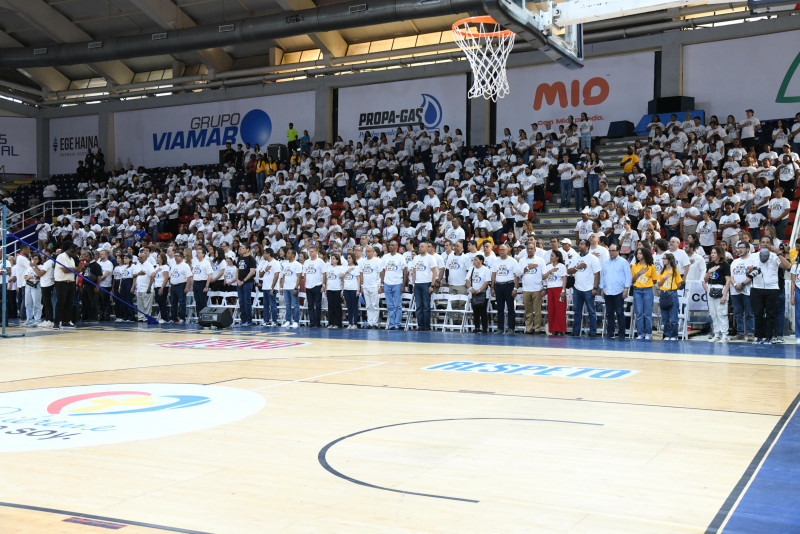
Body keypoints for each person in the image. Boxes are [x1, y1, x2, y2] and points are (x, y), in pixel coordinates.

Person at [747, 240, 790, 344]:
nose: (765, 244)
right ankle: (758, 337)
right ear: (759, 244)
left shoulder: (775, 256)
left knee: (771, 314)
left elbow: (787, 266)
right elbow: (748, 273)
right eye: (763, 242)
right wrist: (749, 270)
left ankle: (769, 338)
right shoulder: (753, 256)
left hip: (772, 288)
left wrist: (778, 253)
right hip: (757, 287)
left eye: (767, 242)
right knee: (758, 314)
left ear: (771, 244)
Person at [567, 239, 601, 337]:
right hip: (577, 288)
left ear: (587, 246)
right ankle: (576, 331)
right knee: (577, 311)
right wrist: (578, 267)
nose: (579, 245)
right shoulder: (575, 258)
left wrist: (595, 288)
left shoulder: (593, 258)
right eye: (579, 243)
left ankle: (593, 331)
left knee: (591, 311)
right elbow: (569, 271)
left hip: (589, 288)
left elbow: (597, 274)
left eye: (582, 244)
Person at [600, 243, 631, 338]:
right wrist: (602, 288)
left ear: (618, 251)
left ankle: (621, 333)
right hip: (607, 290)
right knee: (609, 313)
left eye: (613, 250)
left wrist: (626, 289)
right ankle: (610, 333)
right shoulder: (605, 262)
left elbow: (628, 276)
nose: (611, 252)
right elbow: (603, 276)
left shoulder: (623, 262)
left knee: (619, 312)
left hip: (619, 290)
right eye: (610, 250)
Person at [703, 246, 731, 342]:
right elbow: (705, 280)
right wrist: (709, 272)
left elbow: (728, 281)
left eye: (714, 253)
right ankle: (717, 333)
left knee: (721, 313)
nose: (712, 254)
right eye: (712, 252)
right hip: (711, 288)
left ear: (719, 254)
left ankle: (724, 335)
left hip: (721, 288)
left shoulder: (725, 265)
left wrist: (724, 295)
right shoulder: (710, 265)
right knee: (713, 313)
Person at [491, 244, 519, 334]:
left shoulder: (513, 261)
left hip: (509, 285)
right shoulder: (496, 261)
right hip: (498, 285)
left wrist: (515, 288)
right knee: (500, 308)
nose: (501, 251)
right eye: (500, 250)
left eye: (503, 250)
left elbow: (516, 276)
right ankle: (500, 328)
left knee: (510, 308)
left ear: (508, 250)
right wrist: (492, 287)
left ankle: (511, 328)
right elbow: (493, 275)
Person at [730, 242, 755, 341]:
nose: (740, 250)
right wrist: (736, 284)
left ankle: (750, 333)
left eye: (742, 248)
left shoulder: (752, 261)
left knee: (749, 313)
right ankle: (740, 332)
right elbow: (731, 276)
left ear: (748, 249)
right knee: (738, 313)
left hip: (747, 290)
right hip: (735, 290)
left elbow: (752, 275)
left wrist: (743, 284)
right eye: (738, 248)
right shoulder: (734, 262)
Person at [519, 242, 545, 335]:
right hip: (526, 289)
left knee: (538, 311)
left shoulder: (540, 260)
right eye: (528, 249)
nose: (529, 250)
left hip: (537, 288)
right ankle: (529, 328)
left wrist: (544, 287)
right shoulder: (522, 260)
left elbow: (544, 274)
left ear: (535, 250)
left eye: (531, 249)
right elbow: (519, 273)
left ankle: (537, 329)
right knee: (528, 311)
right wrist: (527, 267)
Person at [410, 241, 437, 331]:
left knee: (426, 306)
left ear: (426, 248)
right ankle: (420, 326)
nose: (420, 248)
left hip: (426, 283)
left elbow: (434, 272)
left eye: (422, 246)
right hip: (417, 284)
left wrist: (432, 285)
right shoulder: (416, 258)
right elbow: (414, 272)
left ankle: (427, 326)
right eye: (419, 246)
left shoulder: (430, 258)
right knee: (418, 306)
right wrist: (413, 284)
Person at [631, 247, 656, 340]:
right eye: (637, 254)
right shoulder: (634, 266)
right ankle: (640, 333)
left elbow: (654, 281)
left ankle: (648, 333)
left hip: (647, 290)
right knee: (639, 313)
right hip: (637, 290)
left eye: (640, 253)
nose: (638, 255)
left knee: (647, 313)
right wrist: (638, 274)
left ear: (645, 254)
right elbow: (632, 281)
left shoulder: (651, 267)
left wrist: (646, 284)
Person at [382, 240, 407, 329]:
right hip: (387, 283)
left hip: (397, 283)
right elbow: (383, 270)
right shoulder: (385, 257)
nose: (390, 246)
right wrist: (382, 283)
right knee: (389, 305)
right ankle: (392, 323)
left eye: (392, 245)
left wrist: (403, 285)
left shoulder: (401, 257)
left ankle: (398, 323)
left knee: (398, 305)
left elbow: (405, 271)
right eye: (390, 245)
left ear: (396, 247)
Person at [658, 253, 683, 341]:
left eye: (665, 259)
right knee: (665, 317)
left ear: (669, 260)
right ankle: (667, 334)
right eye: (663, 258)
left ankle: (674, 335)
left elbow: (679, 284)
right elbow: (659, 284)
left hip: (672, 293)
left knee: (674, 317)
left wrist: (672, 286)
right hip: (663, 293)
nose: (663, 260)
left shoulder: (675, 271)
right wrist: (665, 278)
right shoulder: (662, 271)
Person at [53, 244, 79, 330]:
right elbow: (65, 270)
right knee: (61, 302)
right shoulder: (61, 257)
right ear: (71, 251)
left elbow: (73, 270)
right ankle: (56, 322)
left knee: (69, 303)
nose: (76, 254)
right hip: (62, 283)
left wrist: (79, 269)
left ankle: (66, 321)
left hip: (71, 283)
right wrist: (77, 268)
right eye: (75, 253)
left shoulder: (72, 259)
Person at [544, 250, 567, 335]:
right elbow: (543, 277)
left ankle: (561, 329)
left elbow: (564, 278)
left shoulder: (562, 266)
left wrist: (563, 290)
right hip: (550, 289)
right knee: (551, 309)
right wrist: (550, 271)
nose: (551, 257)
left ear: (557, 257)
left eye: (552, 256)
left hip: (559, 289)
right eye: (550, 256)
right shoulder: (548, 266)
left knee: (560, 310)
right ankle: (553, 329)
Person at [360, 245, 383, 329]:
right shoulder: (362, 261)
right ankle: (370, 323)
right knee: (368, 305)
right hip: (366, 286)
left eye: (369, 251)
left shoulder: (378, 261)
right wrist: (362, 285)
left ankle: (375, 323)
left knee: (375, 305)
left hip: (374, 286)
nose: (367, 252)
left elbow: (382, 273)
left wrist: (381, 285)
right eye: (366, 251)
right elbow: (361, 274)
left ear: (373, 252)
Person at [467, 254, 491, 333]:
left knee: (483, 311)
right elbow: (467, 280)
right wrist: (471, 288)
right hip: (473, 293)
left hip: (483, 293)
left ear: (481, 261)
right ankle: (477, 327)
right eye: (474, 260)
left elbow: (487, 281)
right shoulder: (471, 269)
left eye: (476, 260)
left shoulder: (486, 269)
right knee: (475, 311)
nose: (474, 261)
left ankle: (484, 328)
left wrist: (480, 290)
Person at [303, 246, 326, 328]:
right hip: (308, 286)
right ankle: (312, 322)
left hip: (317, 285)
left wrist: (323, 286)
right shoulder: (306, 262)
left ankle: (317, 322)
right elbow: (305, 274)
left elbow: (324, 274)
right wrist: (305, 284)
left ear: (316, 252)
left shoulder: (320, 261)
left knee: (318, 305)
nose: (311, 253)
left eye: (312, 251)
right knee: (310, 305)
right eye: (310, 251)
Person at [280, 248, 303, 328]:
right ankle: (288, 320)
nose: (287, 254)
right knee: (287, 305)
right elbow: (283, 276)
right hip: (286, 287)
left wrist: (296, 288)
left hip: (293, 287)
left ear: (293, 255)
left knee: (295, 304)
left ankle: (296, 321)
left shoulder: (297, 264)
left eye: (289, 253)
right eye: (287, 253)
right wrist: (282, 287)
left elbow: (299, 277)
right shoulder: (285, 264)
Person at [169, 251, 193, 324]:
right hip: (173, 285)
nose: (175, 257)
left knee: (182, 302)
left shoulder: (185, 265)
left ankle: (182, 318)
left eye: (177, 256)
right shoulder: (173, 265)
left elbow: (189, 277)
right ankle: (174, 318)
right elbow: (171, 275)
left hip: (181, 285)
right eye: (175, 255)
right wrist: (170, 285)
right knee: (173, 303)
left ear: (182, 257)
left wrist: (186, 287)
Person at [259, 248, 281, 327]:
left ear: (268, 254)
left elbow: (276, 275)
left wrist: (272, 287)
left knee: (273, 305)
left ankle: (274, 321)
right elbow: (260, 275)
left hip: (272, 288)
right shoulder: (265, 263)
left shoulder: (276, 263)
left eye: (264, 253)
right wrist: (265, 270)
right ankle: (266, 321)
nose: (263, 255)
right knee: (265, 305)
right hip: (265, 287)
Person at [132, 249, 154, 322]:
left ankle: (147, 317)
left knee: (147, 305)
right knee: (140, 304)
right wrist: (138, 274)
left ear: (145, 258)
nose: (139, 259)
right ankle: (140, 317)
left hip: (146, 288)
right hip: (139, 288)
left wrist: (149, 287)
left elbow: (152, 276)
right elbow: (133, 275)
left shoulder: (149, 265)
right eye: (139, 257)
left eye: (141, 258)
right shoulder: (137, 265)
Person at [324, 253, 344, 328]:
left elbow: (342, 280)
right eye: (331, 258)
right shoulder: (328, 268)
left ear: (337, 260)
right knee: (330, 306)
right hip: (330, 288)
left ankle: (337, 323)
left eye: (333, 258)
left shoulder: (340, 268)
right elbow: (327, 279)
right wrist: (326, 289)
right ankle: (331, 322)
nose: (332, 260)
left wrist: (342, 289)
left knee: (337, 306)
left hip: (337, 289)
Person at [23, 254, 43, 327]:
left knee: (36, 303)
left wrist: (32, 277)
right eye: (33, 259)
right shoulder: (29, 267)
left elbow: (40, 276)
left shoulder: (40, 267)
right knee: (27, 303)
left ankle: (37, 319)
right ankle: (29, 319)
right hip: (28, 285)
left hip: (36, 286)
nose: (34, 260)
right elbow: (25, 276)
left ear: (39, 260)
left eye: (36, 259)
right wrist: (27, 277)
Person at [342, 253, 361, 329]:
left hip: (353, 288)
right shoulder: (345, 267)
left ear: (353, 259)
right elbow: (341, 278)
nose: (348, 259)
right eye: (347, 258)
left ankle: (355, 324)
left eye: (349, 258)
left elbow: (358, 279)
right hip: (346, 289)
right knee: (349, 307)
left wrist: (358, 289)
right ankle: (350, 323)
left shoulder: (356, 267)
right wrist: (347, 271)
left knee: (354, 306)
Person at [192, 248, 213, 316]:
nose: (197, 254)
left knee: (203, 301)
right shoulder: (195, 262)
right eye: (197, 252)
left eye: (199, 253)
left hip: (202, 282)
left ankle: (204, 316)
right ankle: (199, 316)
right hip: (196, 282)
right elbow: (193, 274)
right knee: (197, 301)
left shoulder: (206, 263)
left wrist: (206, 286)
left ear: (203, 254)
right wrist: (192, 285)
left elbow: (209, 275)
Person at [151, 253, 171, 323]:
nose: (157, 259)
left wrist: (162, 287)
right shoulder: (157, 267)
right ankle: (163, 316)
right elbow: (152, 275)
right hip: (156, 286)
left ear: (162, 259)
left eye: (159, 257)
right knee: (159, 302)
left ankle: (164, 317)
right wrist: (156, 271)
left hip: (162, 286)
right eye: (157, 257)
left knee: (162, 301)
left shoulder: (165, 267)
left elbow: (166, 278)